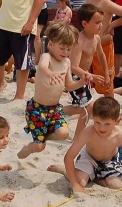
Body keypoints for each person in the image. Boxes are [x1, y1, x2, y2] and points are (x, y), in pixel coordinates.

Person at [17, 22, 87, 159]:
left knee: (64, 133)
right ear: (50, 44)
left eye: (69, 49)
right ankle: (29, 148)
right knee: (39, 147)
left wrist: (81, 82)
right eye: (62, 48)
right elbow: (42, 67)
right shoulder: (46, 57)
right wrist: (51, 74)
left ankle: (43, 136)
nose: (65, 52)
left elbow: (69, 86)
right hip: (37, 109)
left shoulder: (67, 62)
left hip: (54, 109)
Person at [52, 97, 122, 193]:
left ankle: (94, 177)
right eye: (97, 122)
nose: (101, 128)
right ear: (93, 117)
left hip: (110, 160)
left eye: (107, 124)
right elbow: (68, 157)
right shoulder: (88, 132)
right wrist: (75, 185)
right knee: (80, 182)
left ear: (117, 121)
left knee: (116, 185)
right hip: (89, 157)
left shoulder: (121, 135)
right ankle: (66, 170)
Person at [66, 3, 111, 137]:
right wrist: (91, 76)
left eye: (101, 22)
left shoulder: (96, 38)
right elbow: (74, 66)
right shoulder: (80, 41)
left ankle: (54, 111)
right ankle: (78, 138)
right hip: (75, 77)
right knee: (87, 108)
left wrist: (106, 74)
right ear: (85, 24)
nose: (101, 25)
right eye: (97, 22)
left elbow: (101, 56)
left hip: (84, 76)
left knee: (82, 108)